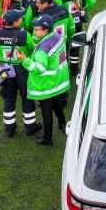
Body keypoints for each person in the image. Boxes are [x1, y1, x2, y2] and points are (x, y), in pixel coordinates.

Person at [0, 8, 40, 137]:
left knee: (8, 99)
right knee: (27, 97)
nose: (22, 19)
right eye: (20, 18)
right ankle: (30, 127)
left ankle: (9, 129)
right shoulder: (24, 35)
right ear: (16, 22)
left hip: (5, 70)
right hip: (22, 69)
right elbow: (32, 49)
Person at [22, 16, 70, 146]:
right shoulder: (57, 36)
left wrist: (25, 60)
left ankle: (47, 139)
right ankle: (62, 123)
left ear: (45, 30)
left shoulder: (42, 49)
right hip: (57, 80)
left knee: (46, 112)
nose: (34, 31)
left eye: (37, 29)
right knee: (57, 104)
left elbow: (39, 68)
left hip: (46, 85)